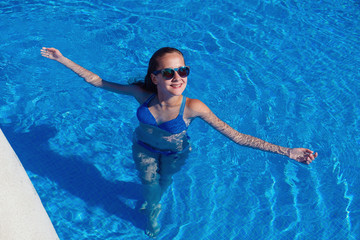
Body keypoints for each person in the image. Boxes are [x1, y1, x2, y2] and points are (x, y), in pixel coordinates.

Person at [41, 46, 318, 238]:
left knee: (163, 183)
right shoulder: (142, 94)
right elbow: (98, 82)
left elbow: (237, 137)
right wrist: (62, 59)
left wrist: (287, 151)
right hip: (144, 150)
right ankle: (153, 212)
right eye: (168, 72)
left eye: (182, 70)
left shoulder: (194, 107)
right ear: (155, 77)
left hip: (175, 153)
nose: (177, 77)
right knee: (150, 186)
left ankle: (154, 199)